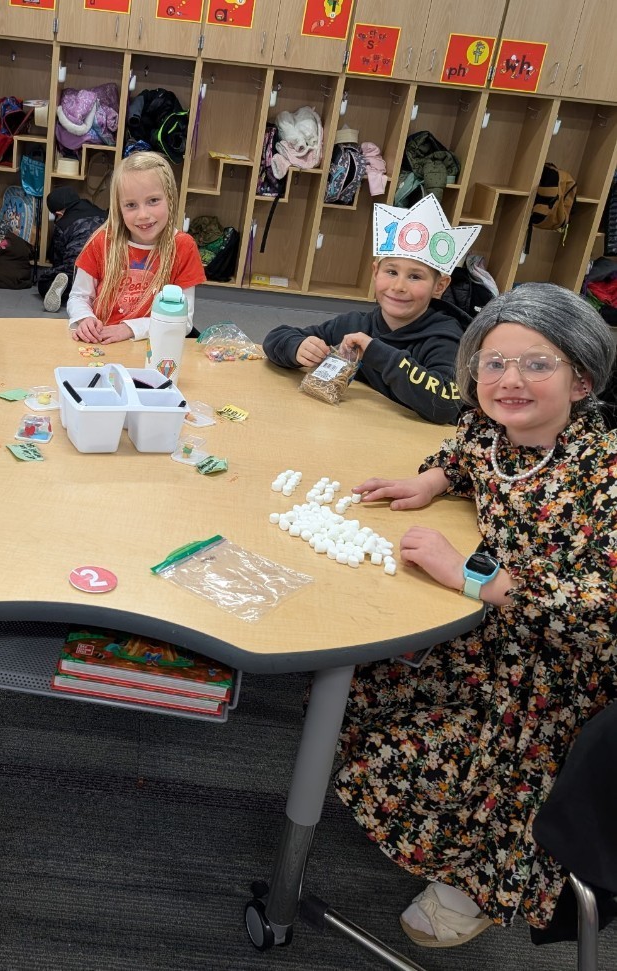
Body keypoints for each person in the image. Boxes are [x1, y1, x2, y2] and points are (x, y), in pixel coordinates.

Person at [337, 282, 617, 947]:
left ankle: (482, 878)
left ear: (580, 381)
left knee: (405, 755)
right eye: (492, 362)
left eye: (535, 363)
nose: (508, 379)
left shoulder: (603, 476)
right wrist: (430, 480)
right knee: (355, 684)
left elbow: (599, 612)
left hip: (556, 680)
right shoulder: (490, 428)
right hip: (489, 638)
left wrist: (470, 576)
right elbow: (464, 453)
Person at [263, 194, 482, 424]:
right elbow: (275, 338)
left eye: (415, 277)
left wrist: (378, 354)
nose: (398, 287)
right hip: (353, 430)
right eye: (391, 272)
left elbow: (445, 406)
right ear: (375, 272)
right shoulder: (355, 324)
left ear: (440, 286)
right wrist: (297, 347)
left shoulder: (446, 339)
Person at [68, 151, 205, 344]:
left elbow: (184, 322)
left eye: (153, 201)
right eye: (131, 205)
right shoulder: (101, 241)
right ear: (118, 207)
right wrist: (84, 318)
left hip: (151, 349)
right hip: (102, 346)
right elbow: (78, 297)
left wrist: (129, 329)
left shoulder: (183, 247)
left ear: (170, 199)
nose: (143, 214)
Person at [37, 186, 107, 313]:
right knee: (96, 280)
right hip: (102, 268)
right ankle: (99, 292)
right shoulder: (102, 213)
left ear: (59, 214)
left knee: (44, 281)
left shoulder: (62, 224)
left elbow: (57, 258)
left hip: (75, 268)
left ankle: (66, 289)